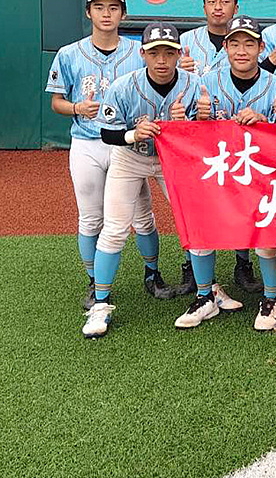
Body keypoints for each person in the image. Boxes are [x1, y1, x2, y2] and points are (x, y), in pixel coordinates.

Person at [47, 0, 172, 312]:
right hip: (87, 143)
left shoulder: (140, 52)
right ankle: (95, 282)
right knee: (91, 219)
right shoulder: (69, 54)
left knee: (143, 216)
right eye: (99, 7)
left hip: (128, 146)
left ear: (123, 14)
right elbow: (56, 102)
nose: (106, 13)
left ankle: (152, 274)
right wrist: (77, 108)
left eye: (113, 7)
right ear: (88, 12)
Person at [81, 22, 202, 338]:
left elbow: (207, 131)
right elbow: (107, 133)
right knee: (115, 228)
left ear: (178, 54)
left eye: (169, 53)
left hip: (173, 160)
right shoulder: (124, 86)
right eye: (154, 52)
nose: (162, 60)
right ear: (143, 54)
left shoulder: (193, 84)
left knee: (193, 221)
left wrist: (188, 123)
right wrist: (134, 133)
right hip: (130, 158)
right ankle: (100, 304)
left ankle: (197, 287)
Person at [176, 15, 276, 330]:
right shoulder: (206, 83)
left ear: (261, 48)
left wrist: (268, 121)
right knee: (202, 230)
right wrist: (196, 118)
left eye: (249, 44)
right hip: (219, 172)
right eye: (235, 43)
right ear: (225, 47)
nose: (241, 50)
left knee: (266, 236)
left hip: (260, 174)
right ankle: (205, 296)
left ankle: (271, 297)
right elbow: (188, 132)